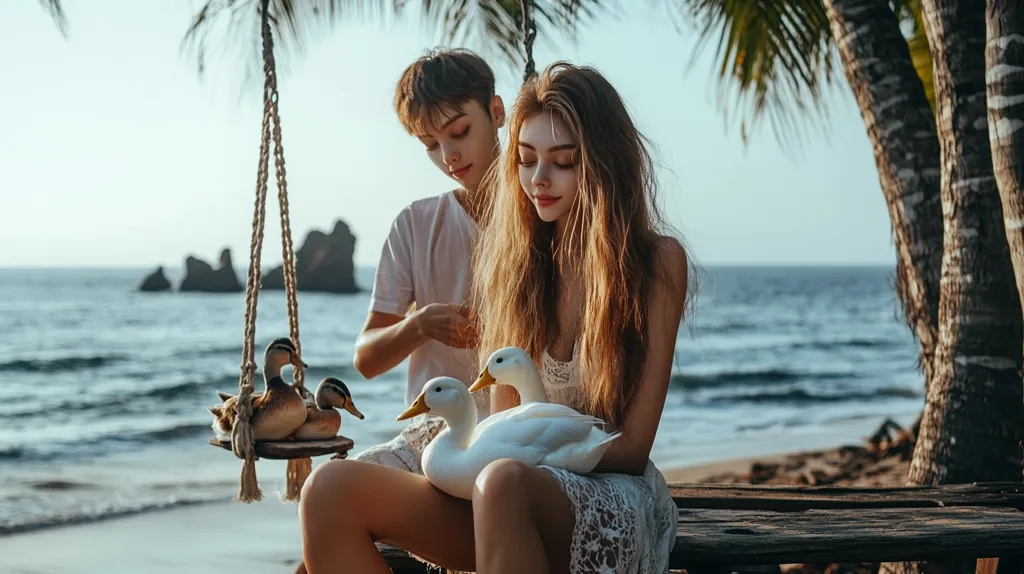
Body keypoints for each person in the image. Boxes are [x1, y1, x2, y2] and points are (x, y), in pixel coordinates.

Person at [297, 61, 691, 574]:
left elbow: (633, 448)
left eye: (563, 161)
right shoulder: (514, 266)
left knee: (502, 479)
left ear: (603, 162)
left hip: (608, 497)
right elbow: (505, 421)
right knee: (328, 489)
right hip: (502, 499)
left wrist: (509, 462)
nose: (538, 180)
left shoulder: (657, 262)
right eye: (526, 161)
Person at [347, 47, 506, 472]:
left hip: (518, 436)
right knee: (332, 487)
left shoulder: (544, 212)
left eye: (459, 131)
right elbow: (366, 359)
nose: (447, 155)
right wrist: (420, 325)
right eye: (430, 144)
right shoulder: (415, 225)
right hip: (434, 439)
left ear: (497, 111)